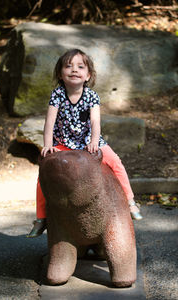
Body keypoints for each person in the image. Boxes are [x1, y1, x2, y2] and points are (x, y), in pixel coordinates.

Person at [27, 48, 142, 238]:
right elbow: (50, 121)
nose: (74, 70)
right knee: (43, 176)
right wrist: (48, 144)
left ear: (88, 75)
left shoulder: (91, 96)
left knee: (115, 162)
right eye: (68, 66)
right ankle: (41, 218)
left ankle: (130, 201)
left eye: (80, 66)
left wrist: (94, 142)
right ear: (60, 74)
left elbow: (96, 121)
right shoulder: (57, 95)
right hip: (63, 142)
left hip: (89, 140)